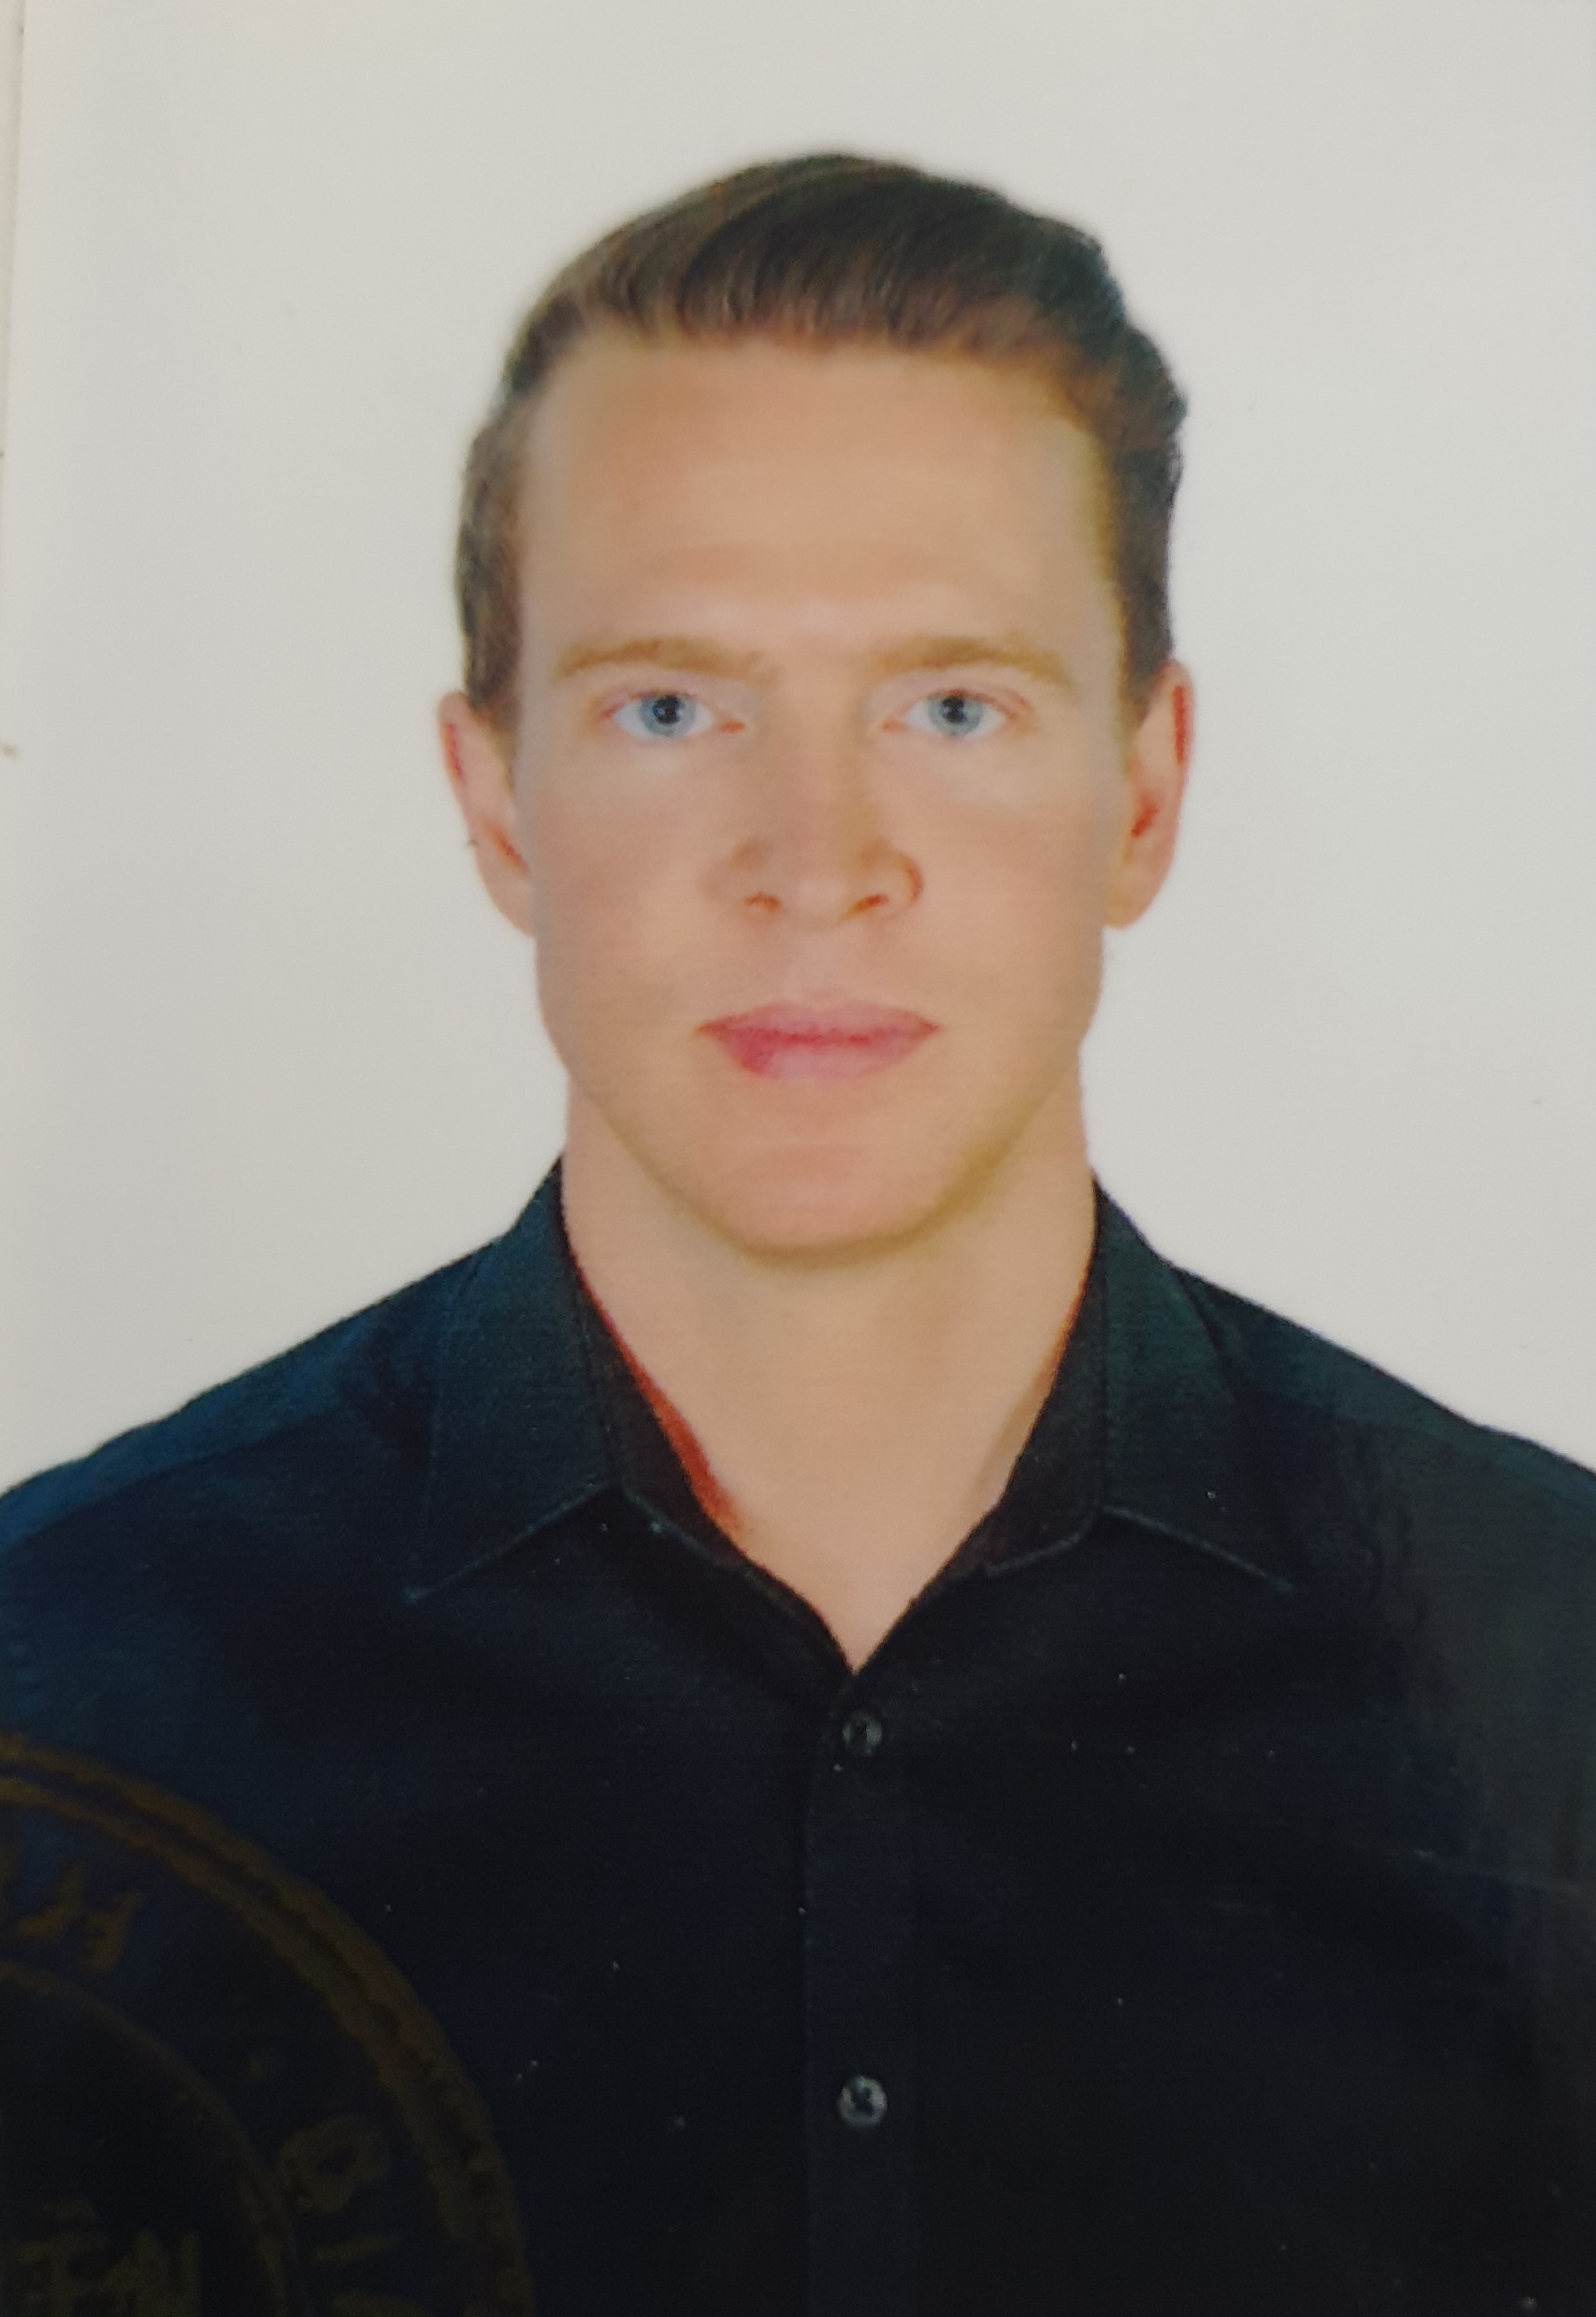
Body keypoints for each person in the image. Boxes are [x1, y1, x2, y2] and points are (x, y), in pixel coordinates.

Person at [2, 151, 1594, 2317]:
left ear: (1144, 793)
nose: (817, 856)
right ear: (494, 801)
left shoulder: (1556, 1670)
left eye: (953, 707)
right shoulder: (65, 1682)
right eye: (672, 710)